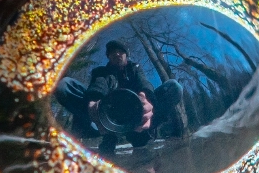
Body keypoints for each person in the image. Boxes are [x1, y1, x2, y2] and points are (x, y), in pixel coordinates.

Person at [54, 40, 184, 153]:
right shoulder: (101, 71)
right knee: (64, 86)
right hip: (103, 121)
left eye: (120, 51)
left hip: (136, 119)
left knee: (174, 87)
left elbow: (143, 82)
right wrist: (93, 102)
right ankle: (109, 137)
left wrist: (145, 98)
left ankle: (142, 134)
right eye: (112, 52)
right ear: (108, 57)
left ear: (126, 55)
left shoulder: (135, 68)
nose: (116, 54)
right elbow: (99, 83)